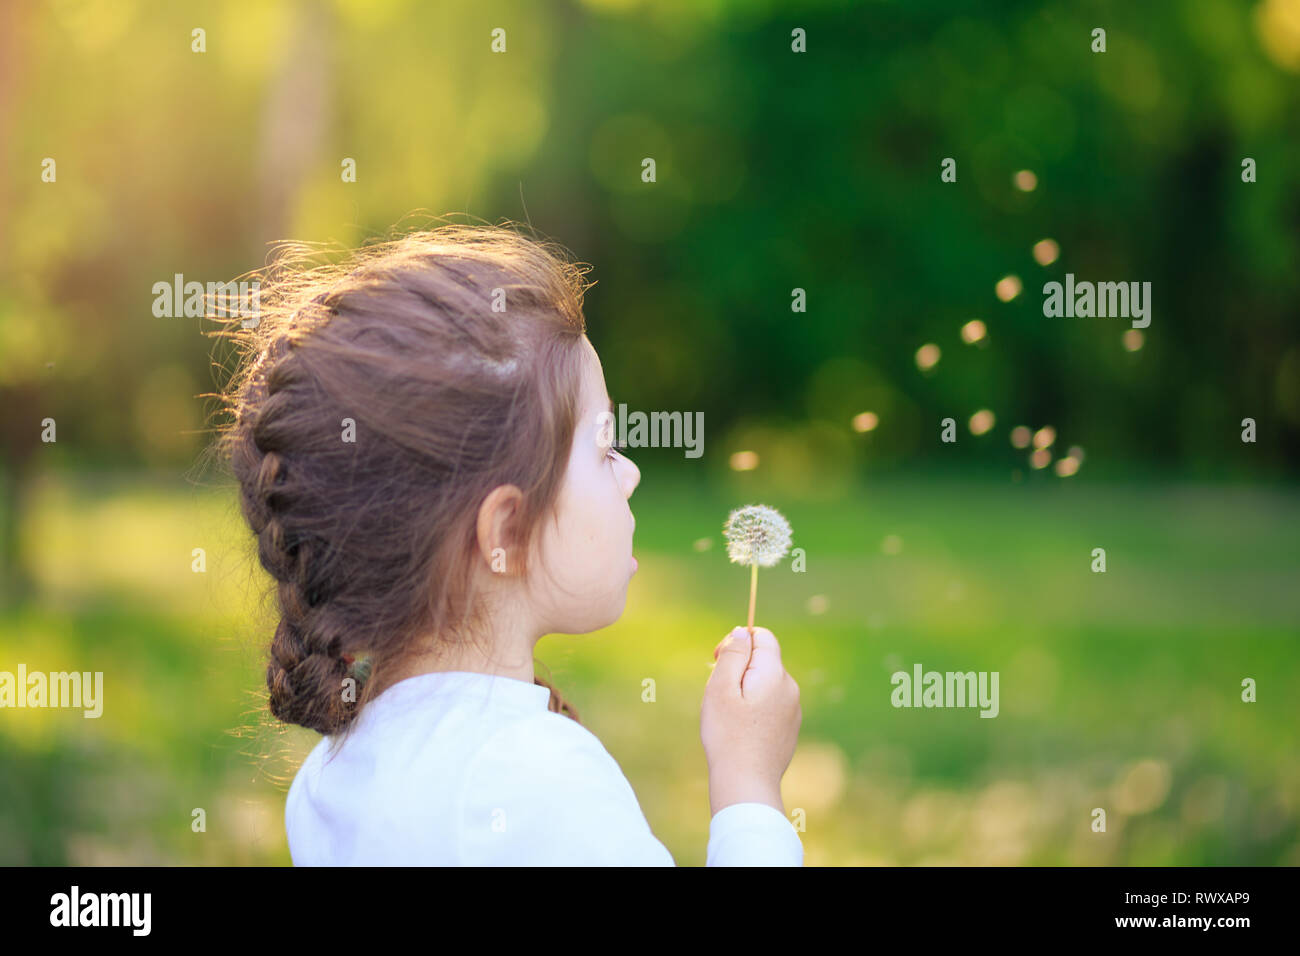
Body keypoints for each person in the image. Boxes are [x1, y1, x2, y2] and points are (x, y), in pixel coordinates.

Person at [220, 222, 803, 865]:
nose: (630, 472)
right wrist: (748, 786)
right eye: (604, 448)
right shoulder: (540, 782)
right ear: (505, 532)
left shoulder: (330, 777)